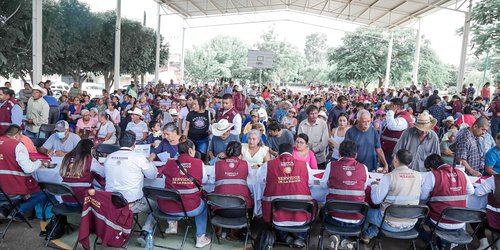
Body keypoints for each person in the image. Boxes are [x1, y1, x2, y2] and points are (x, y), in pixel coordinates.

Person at [103, 131, 158, 247]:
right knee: (158, 205)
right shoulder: (138, 157)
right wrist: (150, 161)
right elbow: (152, 175)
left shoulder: (109, 157)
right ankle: (145, 231)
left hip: (111, 203)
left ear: (119, 143)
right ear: (134, 144)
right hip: (132, 204)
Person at [257, 143, 314, 248]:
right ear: (292, 153)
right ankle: (301, 238)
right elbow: (311, 182)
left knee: (274, 221)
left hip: (277, 218)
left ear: (278, 154)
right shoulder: (304, 165)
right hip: (301, 217)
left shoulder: (268, 165)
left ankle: (285, 238)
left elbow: (260, 180)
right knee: (313, 206)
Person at [160, 136, 211, 248]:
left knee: (171, 191)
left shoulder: (169, 163)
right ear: (190, 150)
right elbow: (204, 181)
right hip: (190, 208)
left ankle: (172, 224)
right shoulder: (198, 163)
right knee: (203, 206)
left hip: (168, 209)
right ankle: (200, 238)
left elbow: (166, 180)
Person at [362, 149, 422, 244]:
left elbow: (375, 200)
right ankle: (369, 234)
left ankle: (362, 233)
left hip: (389, 223)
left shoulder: (390, 177)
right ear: (410, 162)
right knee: (387, 212)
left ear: (395, 160)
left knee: (363, 210)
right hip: (411, 223)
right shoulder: (419, 176)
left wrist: (374, 185)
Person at [320, 140, 369, 248]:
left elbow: (323, 185)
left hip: (334, 217)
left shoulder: (331, 166)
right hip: (356, 220)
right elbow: (364, 187)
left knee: (322, 211)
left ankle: (338, 237)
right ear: (356, 154)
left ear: (339, 154)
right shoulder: (363, 168)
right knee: (366, 215)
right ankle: (344, 240)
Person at [419, 154, 474, 250]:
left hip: (440, 220)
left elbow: (423, 197)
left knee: (416, 220)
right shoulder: (462, 173)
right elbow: (471, 191)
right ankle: (441, 243)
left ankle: (432, 244)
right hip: (460, 221)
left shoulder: (433, 175)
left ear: (432, 167)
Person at [0, 125, 48, 219]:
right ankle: (18, 210)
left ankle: (6, 207)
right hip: (13, 187)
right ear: (17, 135)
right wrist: (39, 162)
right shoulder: (17, 145)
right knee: (44, 192)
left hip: (2, 189)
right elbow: (28, 169)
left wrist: (28, 159)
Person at [59, 139, 104, 204]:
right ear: (91, 149)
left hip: (65, 198)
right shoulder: (89, 159)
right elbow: (102, 174)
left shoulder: (67, 157)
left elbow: (61, 173)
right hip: (83, 199)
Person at [214, 141, 253, 209]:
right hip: (242, 207)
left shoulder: (218, 164)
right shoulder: (245, 164)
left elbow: (212, 180)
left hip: (220, 207)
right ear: (240, 153)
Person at [380, 98, 413, 164]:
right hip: (387, 148)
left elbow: (392, 126)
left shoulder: (404, 118)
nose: (389, 108)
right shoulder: (396, 115)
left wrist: (391, 112)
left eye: (391, 106)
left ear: (396, 106)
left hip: (394, 150)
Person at [474, 174, 500, 250]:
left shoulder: (494, 179)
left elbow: (477, 192)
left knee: (474, 216)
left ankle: (484, 243)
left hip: (495, 221)